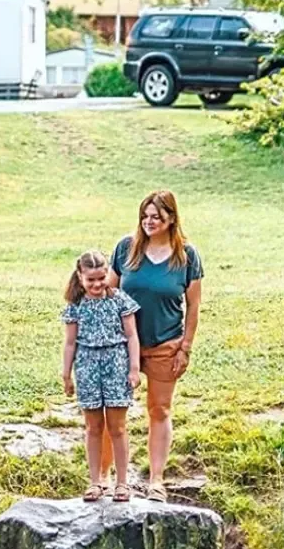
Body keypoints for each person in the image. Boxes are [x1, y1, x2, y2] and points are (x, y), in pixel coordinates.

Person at [110, 191, 204, 502]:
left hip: (166, 342)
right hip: (123, 345)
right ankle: (107, 479)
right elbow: (107, 291)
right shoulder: (126, 248)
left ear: (171, 219)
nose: (149, 222)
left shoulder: (186, 256)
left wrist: (185, 347)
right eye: (145, 217)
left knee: (159, 409)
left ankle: (157, 480)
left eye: (156, 217)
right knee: (114, 411)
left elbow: (193, 306)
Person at [62, 250, 141, 503]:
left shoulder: (120, 300)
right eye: (91, 280)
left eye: (101, 278)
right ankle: (95, 481)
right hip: (87, 367)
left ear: (108, 274)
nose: (97, 284)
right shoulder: (75, 305)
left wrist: (134, 368)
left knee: (117, 427)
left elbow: (132, 336)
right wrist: (66, 374)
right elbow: (70, 343)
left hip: (116, 365)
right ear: (80, 277)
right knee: (93, 426)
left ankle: (122, 483)